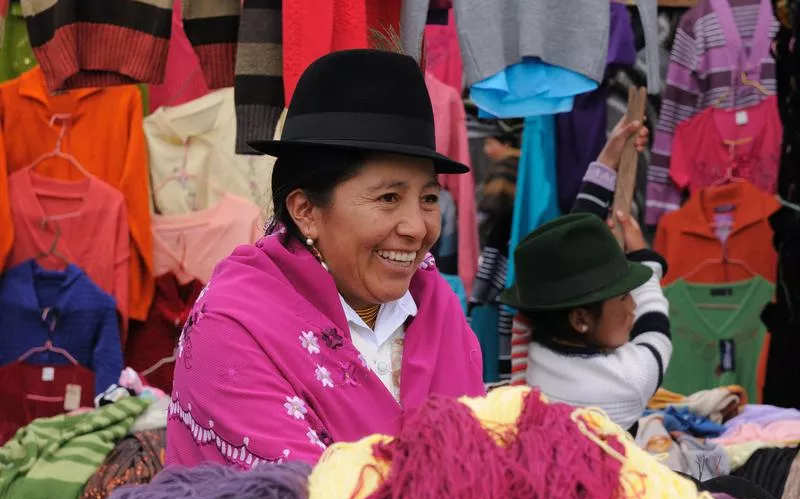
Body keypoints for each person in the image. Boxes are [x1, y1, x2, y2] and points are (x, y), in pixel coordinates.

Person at [165, 50, 485, 467]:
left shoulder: (436, 308)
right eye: (389, 198)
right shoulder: (234, 328)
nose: (417, 227)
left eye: (428, 199)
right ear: (307, 212)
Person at [503, 118, 671, 434]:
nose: (633, 306)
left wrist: (607, 161)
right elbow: (656, 332)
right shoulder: (626, 380)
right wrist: (645, 262)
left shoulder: (531, 334)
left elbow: (569, 251)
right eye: (624, 296)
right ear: (581, 319)